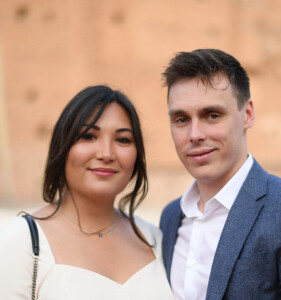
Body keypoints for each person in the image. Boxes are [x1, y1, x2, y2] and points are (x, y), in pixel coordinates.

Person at [0, 85, 174, 299]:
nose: (106, 153)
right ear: (62, 147)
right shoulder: (20, 241)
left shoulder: (154, 239)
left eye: (122, 140)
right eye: (89, 136)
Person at [159, 49, 281, 299]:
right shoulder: (170, 218)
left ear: (247, 114)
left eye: (212, 115)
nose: (195, 135)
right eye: (181, 119)